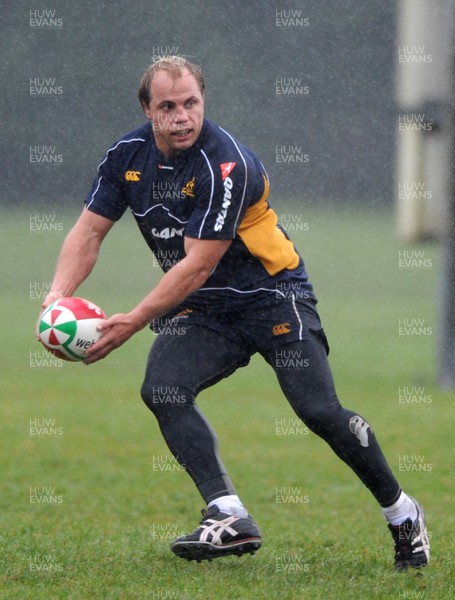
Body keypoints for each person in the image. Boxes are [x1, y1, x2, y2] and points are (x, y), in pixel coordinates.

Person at [38, 56, 429, 570]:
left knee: (318, 412)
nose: (182, 117)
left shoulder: (225, 163)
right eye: (168, 106)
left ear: (204, 101)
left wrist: (132, 320)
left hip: (272, 297)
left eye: (191, 104)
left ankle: (403, 514)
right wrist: (56, 296)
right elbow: (89, 231)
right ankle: (228, 515)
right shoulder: (126, 157)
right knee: (163, 389)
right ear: (147, 109)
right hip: (205, 308)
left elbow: (198, 264)